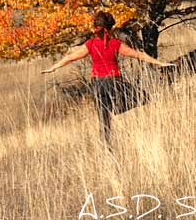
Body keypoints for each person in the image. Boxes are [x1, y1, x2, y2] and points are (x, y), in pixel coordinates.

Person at [41, 10, 174, 145]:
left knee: (104, 120)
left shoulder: (91, 44)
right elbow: (139, 55)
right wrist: (160, 63)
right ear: (110, 29)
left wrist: (53, 67)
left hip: (98, 83)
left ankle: (107, 145)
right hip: (113, 81)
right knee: (143, 97)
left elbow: (70, 57)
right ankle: (114, 112)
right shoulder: (115, 43)